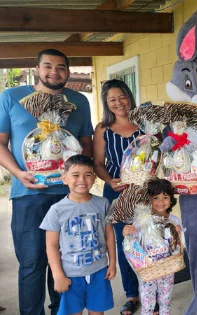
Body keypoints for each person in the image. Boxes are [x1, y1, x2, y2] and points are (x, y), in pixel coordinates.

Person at [0, 49, 94, 315]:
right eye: (48, 66)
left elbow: (86, 144)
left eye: (61, 67)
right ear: (37, 68)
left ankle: (60, 311)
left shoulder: (78, 101)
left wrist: (78, 178)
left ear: (68, 71)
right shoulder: (11, 97)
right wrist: (19, 174)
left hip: (68, 197)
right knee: (31, 263)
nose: (55, 72)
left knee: (65, 262)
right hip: (28, 194)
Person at [40, 154, 116, 315]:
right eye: (75, 175)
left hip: (99, 270)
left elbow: (109, 234)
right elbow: (51, 245)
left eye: (88, 175)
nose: (82, 180)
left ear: (94, 178)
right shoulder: (57, 210)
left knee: (97, 311)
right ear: (64, 178)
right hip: (71, 273)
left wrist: (112, 263)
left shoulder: (102, 203)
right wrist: (58, 275)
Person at [93, 79, 142, 315]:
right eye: (112, 99)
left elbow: (160, 151)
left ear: (129, 97)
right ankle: (132, 294)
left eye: (122, 97)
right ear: (106, 103)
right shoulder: (103, 129)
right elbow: (98, 164)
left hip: (145, 193)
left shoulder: (145, 123)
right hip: (117, 192)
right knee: (124, 243)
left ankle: (152, 285)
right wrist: (109, 180)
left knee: (149, 239)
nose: (118, 103)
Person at [123, 179, 182, 315]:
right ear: (148, 199)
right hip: (148, 270)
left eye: (165, 197)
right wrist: (126, 232)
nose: (161, 202)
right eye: (156, 197)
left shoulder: (174, 220)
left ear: (171, 199)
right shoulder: (142, 221)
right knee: (148, 303)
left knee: (165, 301)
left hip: (167, 268)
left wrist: (178, 232)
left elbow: (178, 245)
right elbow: (131, 241)